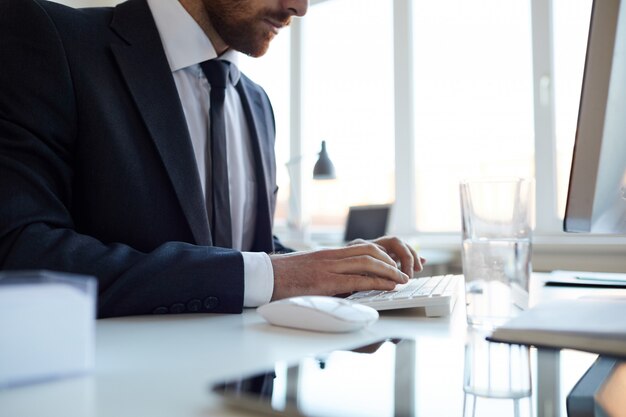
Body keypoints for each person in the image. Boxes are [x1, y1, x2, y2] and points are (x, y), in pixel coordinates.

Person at [0, 0, 424, 318]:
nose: (300, 6)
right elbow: (21, 252)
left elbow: (244, 251)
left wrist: (344, 270)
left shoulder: (257, 102)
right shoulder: (51, 38)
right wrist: (282, 275)